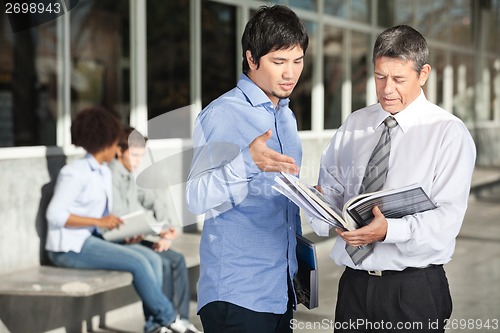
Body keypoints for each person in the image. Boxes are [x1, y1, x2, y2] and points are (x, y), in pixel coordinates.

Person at [308, 25, 476, 332]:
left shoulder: (448, 133)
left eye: (398, 79)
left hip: (413, 291)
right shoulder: (356, 123)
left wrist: (388, 231)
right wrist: (320, 203)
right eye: (379, 76)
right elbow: (331, 184)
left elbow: (447, 220)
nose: (387, 89)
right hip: (354, 288)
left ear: (423, 74)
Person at [185, 5, 308, 333]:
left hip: (281, 291)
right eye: (278, 62)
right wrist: (245, 163)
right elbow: (195, 198)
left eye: (297, 61)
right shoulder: (223, 114)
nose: (290, 73)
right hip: (238, 295)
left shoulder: (286, 116)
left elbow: (280, 198)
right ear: (251, 59)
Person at [45, 107, 191, 333]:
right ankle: (170, 319)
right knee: (139, 263)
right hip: (68, 247)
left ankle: (159, 326)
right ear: (104, 142)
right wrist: (99, 221)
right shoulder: (74, 172)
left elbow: (130, 207)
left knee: (151, 260)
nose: (116, 149)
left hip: (91, 240)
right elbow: (54, 215)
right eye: (115, 143)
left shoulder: (102, 172)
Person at [109, 126, 202, 333]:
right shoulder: (111, 175)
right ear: (118, 150)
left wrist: (166, 229)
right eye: (134, 155)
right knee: (161, 262)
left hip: (134, 235)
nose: (138, 161)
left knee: (176, 259)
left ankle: (180, 320)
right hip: (119, 240)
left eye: (141, 156)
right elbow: (119, 216)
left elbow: (154, 200)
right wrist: (152, 228)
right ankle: (157, 325)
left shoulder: (131, 174)